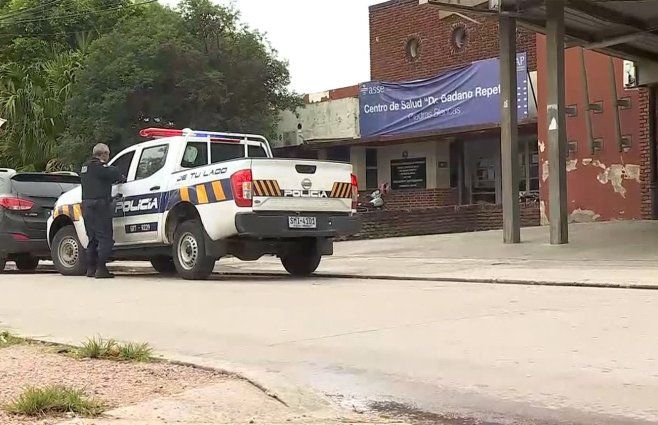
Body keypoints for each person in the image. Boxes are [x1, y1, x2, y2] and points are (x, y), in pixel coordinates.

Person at [80, 143, 122, 279]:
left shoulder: (85, 167)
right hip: (99, 206)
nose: (108, 157)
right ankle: (101, 269)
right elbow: (115, 174)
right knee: (105, 238)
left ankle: (91, 269)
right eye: (108, 154)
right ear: (103, 154)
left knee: (92, 238)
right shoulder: (100, 167)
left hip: (86, 206)